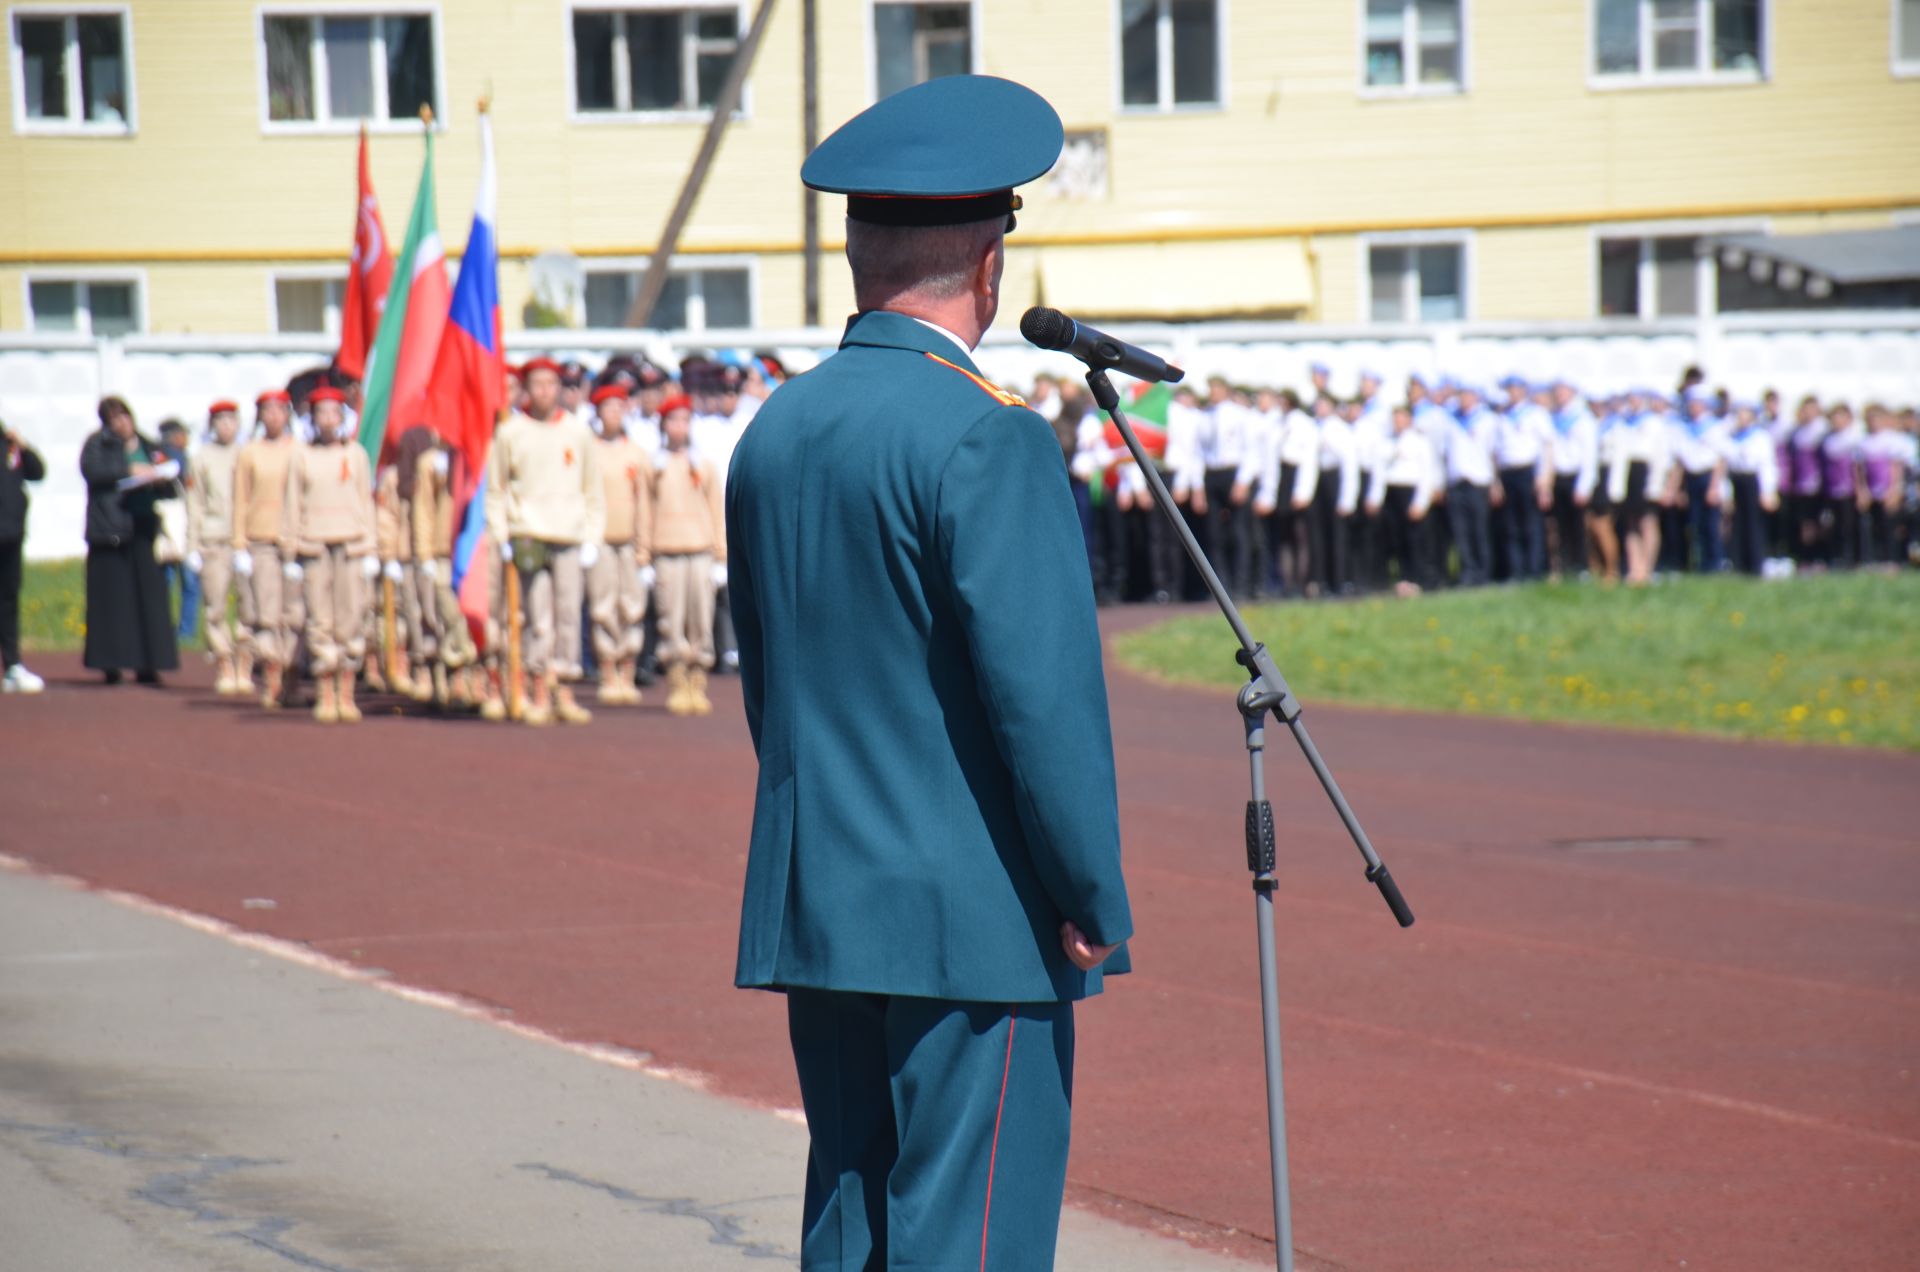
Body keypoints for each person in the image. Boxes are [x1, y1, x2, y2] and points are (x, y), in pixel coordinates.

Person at [726, 75, 1133, 1269]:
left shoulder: (778, 429)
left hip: (827, 897)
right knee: (972, 1238)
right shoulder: (987, 433)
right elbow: (1043, 707)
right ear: (988, 263)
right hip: (977, 918)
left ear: (861, 252)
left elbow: (775, 692)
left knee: (851, 1229)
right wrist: (1090, 894)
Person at [486, 356, 602, 726]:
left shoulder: (577, 431)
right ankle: (536, 686)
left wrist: (592, 537)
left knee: (569, 614)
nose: (545, 391)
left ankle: (563, 688)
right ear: (526, 388)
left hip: (568, 532)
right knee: (538, 616)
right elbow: (496, 489)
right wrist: (501, 533)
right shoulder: (511, 432)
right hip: (529, 532)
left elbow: (592, 488)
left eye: (552, 384)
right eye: (537, 384)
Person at [285, 386, 377, 724]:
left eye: (333, 413)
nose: (327, 419)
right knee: (320, 616)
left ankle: (347, 690)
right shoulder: (301, 455)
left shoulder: (356, 455)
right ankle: (325, 689)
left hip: (351, 541)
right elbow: (292, 503)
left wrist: (371, 544)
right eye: (320, 413)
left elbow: (366, 499)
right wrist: (290, 547)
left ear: (342, 417)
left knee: (351, 614)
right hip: (313, 542)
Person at [80, 396, 180, 684]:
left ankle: (149, 663)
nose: (122, 424)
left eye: (125, 417)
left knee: (149, 599)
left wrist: (161, 479)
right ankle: (110, 663)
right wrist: (128, 472)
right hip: (111, 529)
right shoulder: (98, 445)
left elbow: (171, 477)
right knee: (112, 600)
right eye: (115, 420)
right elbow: (93, 472)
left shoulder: (149, 446)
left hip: (145, 528)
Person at [648, 392, 724, 716]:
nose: (679, 427)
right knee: (671, 617)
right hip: (666, 548)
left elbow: (715, 508)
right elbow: (644, 510)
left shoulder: (703, 465)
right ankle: (677, 678)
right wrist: (643, 551)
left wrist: (722, 552)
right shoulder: (654, 465)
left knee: (701, 616)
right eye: (673, 420)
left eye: (684, 420)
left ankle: (698, 677)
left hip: (700, 548)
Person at [232, 388, 304, 709]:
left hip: (297, 542)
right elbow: (240, 499)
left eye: (279, 410)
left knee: (297, 614)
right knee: (267, 613)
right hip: (261, 539)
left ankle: (293, 676)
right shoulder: (249, 453)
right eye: (267, 410)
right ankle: (271, 677)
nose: (274, 416)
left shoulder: (299, 451)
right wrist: (239, 544)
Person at [587, 383, 652, 705]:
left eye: (619, 407)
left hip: (628, 543)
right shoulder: (590, 451)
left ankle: (627, 671)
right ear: (598, 413)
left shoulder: (636, 454)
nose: (614, 413)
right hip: (599, 541)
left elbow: (644, 503)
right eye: (607, 407)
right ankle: (607, 670)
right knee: (603, 606)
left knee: (631, 606)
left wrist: (644, 546)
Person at [185, 400, 253, 694]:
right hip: (214, 539)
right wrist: (192, 545)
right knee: (214, 605)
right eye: (221, 421)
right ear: (212, 425)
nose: (226, 426)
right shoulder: (201, 459)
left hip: (247, 540)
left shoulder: (247, 455)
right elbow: (195, 503)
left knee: (250, 606)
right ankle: (224, 661)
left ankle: (246, 662)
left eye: (231, 420)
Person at [1366, 404, 1438, 594]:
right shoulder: (1387, 442)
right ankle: (1403, 578)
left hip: (1410, 491)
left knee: (1414, 539)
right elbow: (1379, 473)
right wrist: (1375, 498)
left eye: (1401, 418)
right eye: (1395, 419)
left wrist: (1420, 502)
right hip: (1392, 492)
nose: (1397, 423)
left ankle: (1419, 578)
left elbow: (1426, 474)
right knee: (1396, 538)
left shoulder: (1419, 442)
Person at [0, 418, 47, 693]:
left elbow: (38, 472)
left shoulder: (11, 448)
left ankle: (13, 665)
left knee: (8, 601)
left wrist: (24, 446)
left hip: (11, 536)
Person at [1445, 384, 1499, 587]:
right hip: (1457, 481)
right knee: (1461, 532)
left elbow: (1494, 454)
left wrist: (1495, 482)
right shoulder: (1451, 420)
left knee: (1479, 529)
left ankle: (1484, 572)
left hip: (1479, 481)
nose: (1464, 399)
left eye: (1468, 395)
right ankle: (1468, 571)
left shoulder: (1488, 420)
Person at [1720, 400, 1779, 575]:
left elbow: (1767, 465)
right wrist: (1727, 494)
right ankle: (1738, 563)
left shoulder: (1760, 437)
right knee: (1737, 524)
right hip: (1736, 480)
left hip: (1753, 481)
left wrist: (1768, 491)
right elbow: (1726, 465)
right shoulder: (1731, 436)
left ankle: (1755, 564)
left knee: (1754, 525)